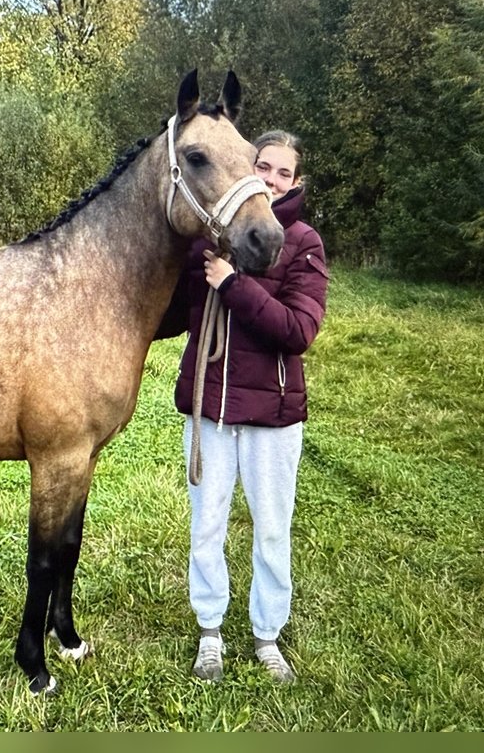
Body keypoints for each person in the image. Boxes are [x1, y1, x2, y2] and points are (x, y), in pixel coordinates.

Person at [158, 130, 329, 685]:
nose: (272, 179)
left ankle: (266, 636)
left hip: (273, 417)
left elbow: (298, 330)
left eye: (284, 172)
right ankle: (210, 632)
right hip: (210, 411)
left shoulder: (302, 243)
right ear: (249, 169)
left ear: (295, 183)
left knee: (272, 528)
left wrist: (232, 284)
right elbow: (171, 313)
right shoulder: (213, 237)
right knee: (206, 525)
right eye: (264, 167)